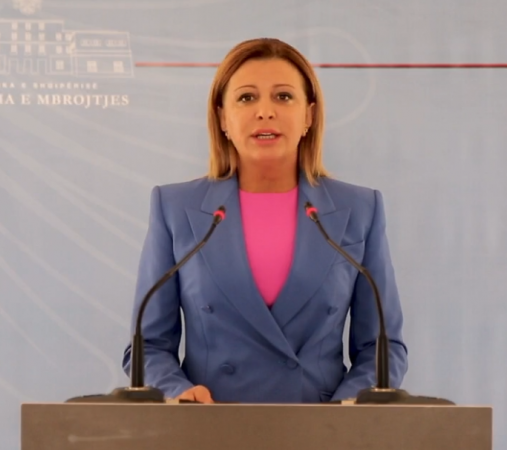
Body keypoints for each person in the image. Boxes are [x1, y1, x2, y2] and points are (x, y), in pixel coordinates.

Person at [122, 37, 408, 404]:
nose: (265, 112)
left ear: (309, 115)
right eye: (246, 98)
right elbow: (147, 346)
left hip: (321, 427)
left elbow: (382, 347)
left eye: (283, 96)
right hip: (210, 424)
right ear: (222, 118)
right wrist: (178, 393)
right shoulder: (175, 207)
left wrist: (348, 408)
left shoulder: (359, 208)